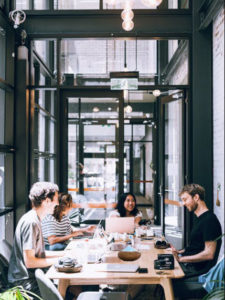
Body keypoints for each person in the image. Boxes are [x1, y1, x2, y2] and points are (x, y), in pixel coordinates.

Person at [8, 181, 64, 297]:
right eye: (56, 199)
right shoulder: (32, 222)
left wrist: (64, 255)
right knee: (71, 290)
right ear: (47, 201)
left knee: (71, 287)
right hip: (25, 283)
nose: (58, 203)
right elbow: (30, 262)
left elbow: (38, 254)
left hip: (29, 278)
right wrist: (59, 261)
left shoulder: (34, 218)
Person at [171, 183, 222, 299]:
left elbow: (209, 254)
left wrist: (181, 258)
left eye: (185, 199)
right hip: (191, 265)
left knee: (169, 280)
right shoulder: (200, 219)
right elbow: (197, 247)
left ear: (196, 197)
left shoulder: (209, 221)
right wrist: (179, 252)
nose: (183, 204)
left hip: (198, 270)